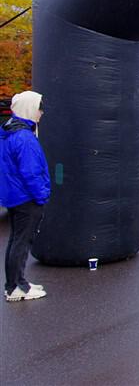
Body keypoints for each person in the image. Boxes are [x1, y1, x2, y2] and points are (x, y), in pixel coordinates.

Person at [0, 91, 50, 301]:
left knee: (15, 240)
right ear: (30, 108)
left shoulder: (10, 131)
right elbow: (31, 172)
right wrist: (42, 195)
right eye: (39, 107)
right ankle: (15, 287)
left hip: (14, 195)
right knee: (21, 242)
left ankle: (16, 282)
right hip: (26, 197)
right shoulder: (24, 137)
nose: (41, 112)